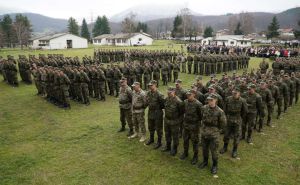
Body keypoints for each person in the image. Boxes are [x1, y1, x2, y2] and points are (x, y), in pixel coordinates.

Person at [198, 93, 226, 175]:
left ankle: (214, 165)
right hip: (204, 132)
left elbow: (223, 124)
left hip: (214, 134)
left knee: (214, 151)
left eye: (211, 100)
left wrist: (216, 130)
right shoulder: (204, 108)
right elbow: (201, 117)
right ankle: (205, 161)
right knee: (204, 149)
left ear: (216, 100)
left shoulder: (220, 112)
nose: (210, 102)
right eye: (209, 100)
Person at [220, 88, 247, 158]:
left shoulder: (242, 101)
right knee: (226, 134)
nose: (234, 94)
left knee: (236, 136)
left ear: (239, 94)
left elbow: (244, 112)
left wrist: (239, 118)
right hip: (228, 119)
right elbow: (224, 109)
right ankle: (225, 147)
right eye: (233, 93)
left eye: (235, 93)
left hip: (237, 120)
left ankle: (234, 150)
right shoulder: (228, 99)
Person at [180, 90, 203, 165]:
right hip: (186, 125)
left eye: (190, 95)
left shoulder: (198, 104)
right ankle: (185, 153)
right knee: (185, 140)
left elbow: (201, 116)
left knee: (195, 142)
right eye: (188, 95)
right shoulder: (185, 102)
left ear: (194, 95)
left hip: (194, 126)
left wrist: (196, 124)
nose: (188, 96)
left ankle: (195, 156)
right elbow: (183, 111)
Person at [162, 87, 183, 156]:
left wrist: (177, 121)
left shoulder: (178, 101)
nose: (168, 93)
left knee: (175, 136)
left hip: (174, 121)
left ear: (174, 92)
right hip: (167, 120)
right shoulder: (166, 99)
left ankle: (175, 149)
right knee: (167, 134)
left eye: (170, 92)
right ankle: (168, 146)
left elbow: (181, 113)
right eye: (168, 92)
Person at [145, 80, 165, 149]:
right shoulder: (148, 93)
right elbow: (147, 101)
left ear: (155, 85)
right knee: (151, 127)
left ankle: (159, 142)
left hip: (157, 113)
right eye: (149, 86)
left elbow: (163, 105)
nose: (150, 87)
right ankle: (151, 139)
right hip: (150, 112)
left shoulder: (159, 94)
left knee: (158, 128)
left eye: (151, 85)